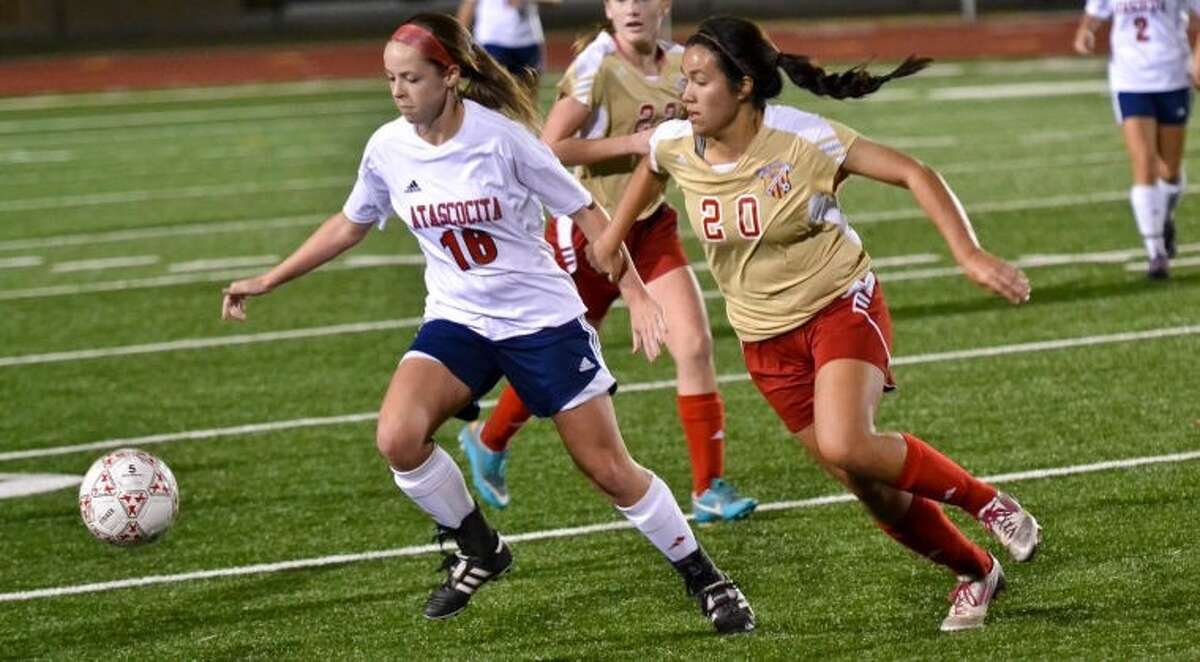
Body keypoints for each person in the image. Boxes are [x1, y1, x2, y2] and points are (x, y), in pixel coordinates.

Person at [219, 13, 754, 634]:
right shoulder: (387, 147)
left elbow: (585, 211)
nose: (397, 91)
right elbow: (351, 223)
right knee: (397, 436)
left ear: (449, 77)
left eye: (411, 78)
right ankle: (478, 545)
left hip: (540, 320)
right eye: (390, 78)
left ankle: (706, 577)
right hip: (458, 318)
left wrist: (633, 290)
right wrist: (271, 278)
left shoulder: (502, 139)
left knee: (607, 469)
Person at [590, 16, 1043, 632]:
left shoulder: (804, 139)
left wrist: (968, 253)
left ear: (744, 86)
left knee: (847, 442)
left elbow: (916, 172)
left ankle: (989, 503)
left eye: (699, 81)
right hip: (763, 339)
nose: (685, 94)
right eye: (684, 81)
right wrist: (623, 259)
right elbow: (637, 194)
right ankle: (976, 572)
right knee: (866, 484)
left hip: (838, 304)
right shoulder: (675, 142)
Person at [457, 0, 758, 524]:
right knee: (557, 361)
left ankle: (708, 487)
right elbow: (548, 147)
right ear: (608, 8)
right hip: (588, 230)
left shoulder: (683, 63)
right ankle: (488, 438)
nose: (633, 7)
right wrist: (636, 142)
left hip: (650, 225)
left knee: (694, 343)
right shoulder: (597, 64)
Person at [1073, 0, 1200, 279]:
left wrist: (1199, 58)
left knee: (1170, 170)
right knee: (1143, 162)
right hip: (1129, 80)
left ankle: (1163, 215)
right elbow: (1095, 12)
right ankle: (1156, 253)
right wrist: (1086, 31)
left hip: (1173, 77)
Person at [456, 0, 556, 93]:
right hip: (492, 41)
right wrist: (459, 40)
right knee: (490, 96)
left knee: (527, 100)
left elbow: (555, 2)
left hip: (528, 41)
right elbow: (468, 4)